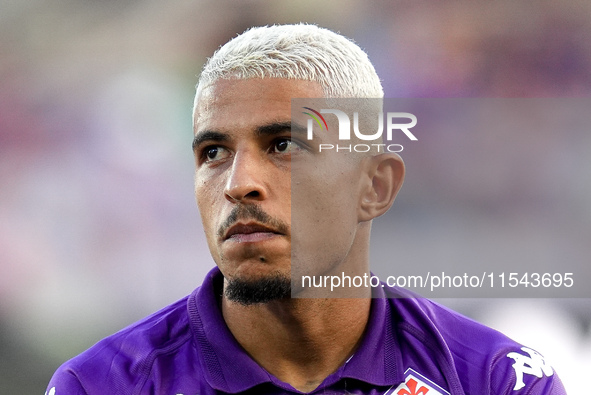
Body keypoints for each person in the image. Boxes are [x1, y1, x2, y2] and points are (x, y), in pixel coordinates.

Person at [46, 24, 566, 395]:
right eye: (213, 153)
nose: (238, 184)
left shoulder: (495, 379)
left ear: (375, 186)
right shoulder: (100, 385)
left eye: (283, 145)